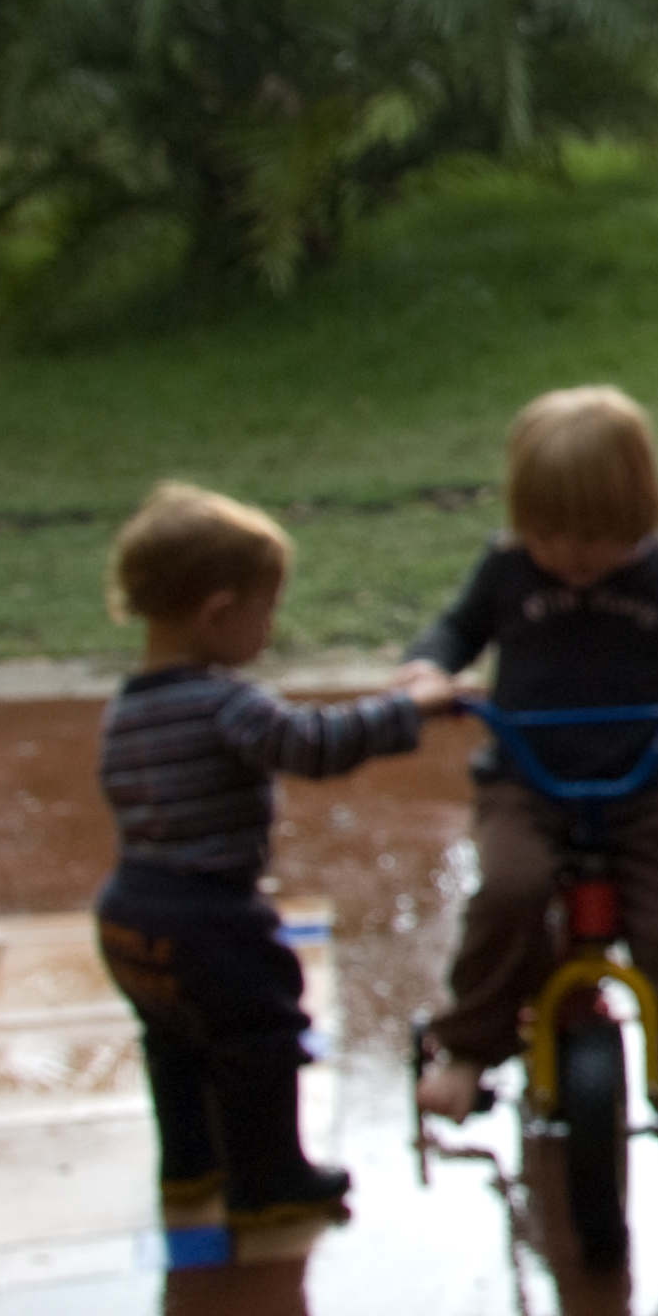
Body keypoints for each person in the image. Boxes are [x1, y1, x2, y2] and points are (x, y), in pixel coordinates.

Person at [402, 385, 658, 1179]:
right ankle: (471, 1047)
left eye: (598, 537)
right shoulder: (507, 569)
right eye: (552, 534)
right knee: (510, 890)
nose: (574, 555)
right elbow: (454, 629)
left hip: (636, 786)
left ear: (639, 516)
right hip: (526, 781)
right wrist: (429, 671)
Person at [96, 483, 454, 1230]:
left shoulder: (126, 706)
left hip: (130, 907)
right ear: (217, 613)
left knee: (174, 1038)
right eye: (265, 610)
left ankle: (189, 1167)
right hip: (211, 914)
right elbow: (312, 746)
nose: (271, 627)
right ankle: (268, 1178)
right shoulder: (225, 703)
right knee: (260, 1034)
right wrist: (408, 710)